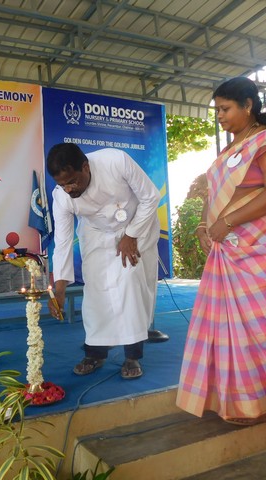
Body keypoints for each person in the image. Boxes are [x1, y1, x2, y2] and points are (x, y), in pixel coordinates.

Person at [176, 76, 266, 425]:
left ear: (248, 105)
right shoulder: (228, 151)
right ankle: (235, 400)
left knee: (262, 331)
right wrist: (203, 226)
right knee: (229, 333)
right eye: (217, 110)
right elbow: (213, 195)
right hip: (228, 253)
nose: (220, 116)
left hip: (260, 254)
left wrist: (227, 222)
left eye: (225, 109)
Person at [46, 143, 161, 380]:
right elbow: (63, 242)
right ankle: (95, 353)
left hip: (136, 223)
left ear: (85, 167)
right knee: (95, 290)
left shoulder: (116, 161)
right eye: (62, 185)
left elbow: (151, 197)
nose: (68, 189)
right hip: (96, 232)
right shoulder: (62, 197)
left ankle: (132, 356)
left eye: (72, 182)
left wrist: (131, 235)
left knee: (130, 282)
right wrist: (60, 289)